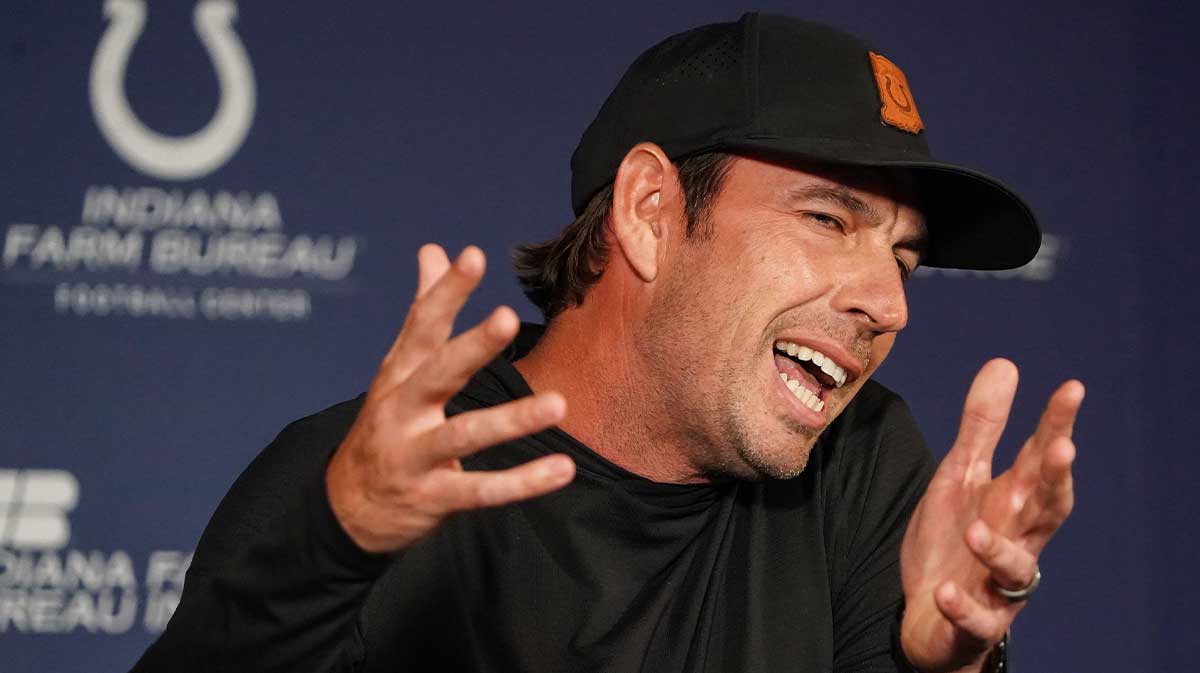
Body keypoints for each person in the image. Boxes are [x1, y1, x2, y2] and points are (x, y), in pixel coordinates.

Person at [131, 13, 1082, 673]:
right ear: (649, 210)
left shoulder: (863, 463)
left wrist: (949, 660)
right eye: (831, 219)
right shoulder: (365, 485)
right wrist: (334, 545)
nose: (887, 303)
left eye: (904, 260)